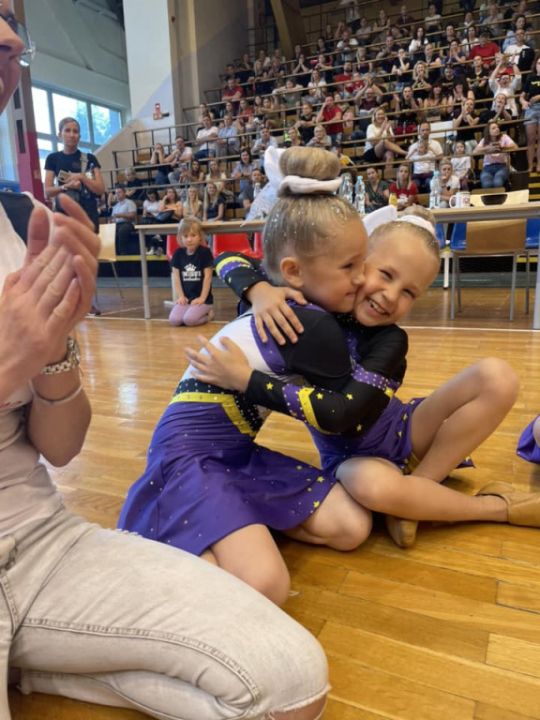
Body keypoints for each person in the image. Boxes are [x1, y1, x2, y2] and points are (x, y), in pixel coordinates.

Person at [0, 8, 329, 720]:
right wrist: (7, 361)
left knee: (293, 681)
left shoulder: (20, 218)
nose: (12, 41)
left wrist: (53, 349)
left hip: (37, 540)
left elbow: (62, 447)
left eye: (9, 18)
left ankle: (33, 657)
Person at [44, 117, 105, 232]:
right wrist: (66, 186)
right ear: (60, 134)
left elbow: (100, 189)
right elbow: (47, 191)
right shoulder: (53, 158)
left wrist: (82, 177)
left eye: (75, 131)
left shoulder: (90, 159)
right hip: (64, 216)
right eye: (67, 130)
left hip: (88, 215)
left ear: (79, 136)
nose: (72, 135)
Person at [169, 217, 214, 327]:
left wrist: (202, 298)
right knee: (174, 320)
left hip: (203, 300)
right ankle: (189, 310)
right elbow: (176, 277)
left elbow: (208, 277)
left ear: (200, 237)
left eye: (193, 235)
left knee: (189, 320)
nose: (189, 239)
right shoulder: (178, 253)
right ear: (180, 237)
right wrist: (181, 297)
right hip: (186, 299)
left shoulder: (205, 252)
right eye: (186, 236)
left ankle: (209, 315)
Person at [473, 121, 517, 188]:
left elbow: (515, 147)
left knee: (497, 182)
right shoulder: (484, 140)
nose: (497, 129)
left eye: (497, 127)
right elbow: (475, 152)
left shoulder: (504, 137)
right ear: (488, 131)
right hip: (487, 168)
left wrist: (502, 148)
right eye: (493, 128)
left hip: (502, 166)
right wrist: (488, 148)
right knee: (487, 184)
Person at [520, 54, 540, 172]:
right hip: (531, 108)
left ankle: (539, 165)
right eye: (539, 63)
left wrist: (538, 96)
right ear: (535, 65)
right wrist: (523, 102)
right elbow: (522, 95)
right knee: (530, 138)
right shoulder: (531, 78)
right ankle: (530, 166)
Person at [110, 186, 138, 255]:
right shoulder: (115, 205)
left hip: (128, 223)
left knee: (122, 230)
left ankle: (123, 252)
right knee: (110, 231)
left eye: (119, 192)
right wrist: (111, 221)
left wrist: (121, 215)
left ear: (124, 193)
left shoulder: (130, 203)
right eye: (116, 193)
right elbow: (113, 217)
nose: (117, 194)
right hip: (117, 224)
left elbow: (132, 215)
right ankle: (114, 253)